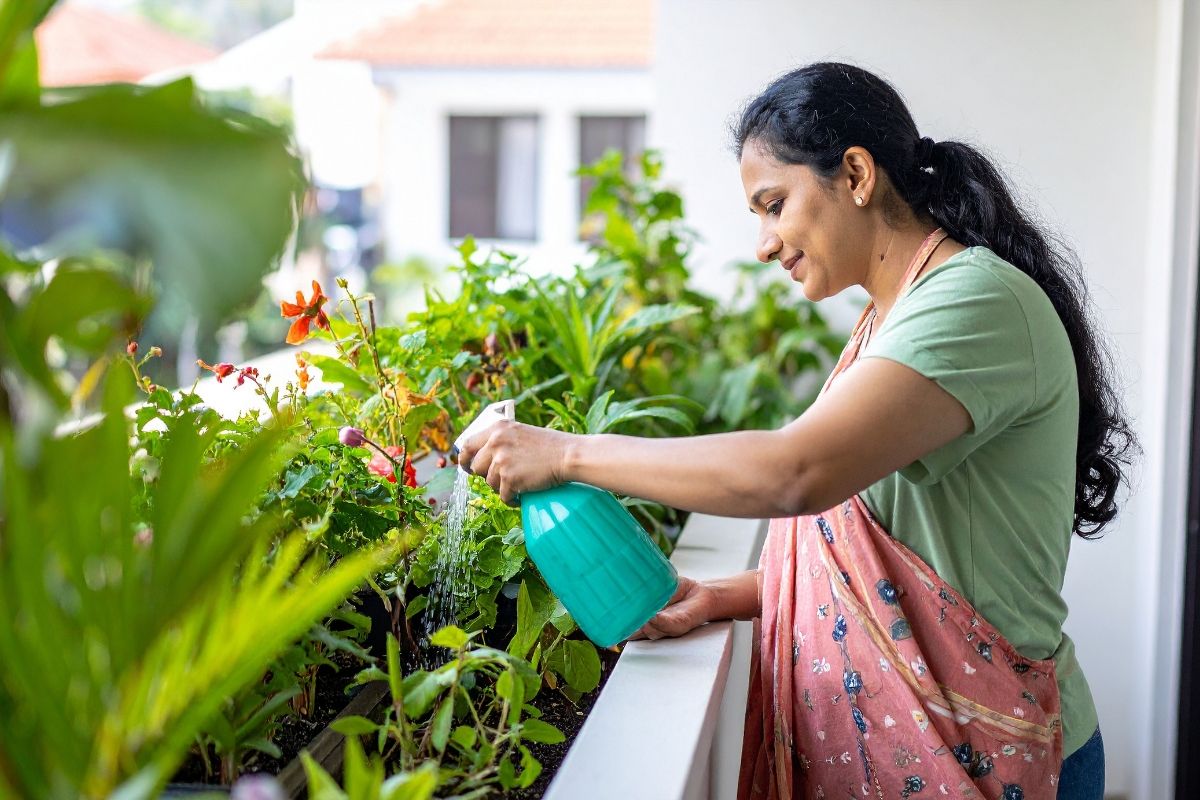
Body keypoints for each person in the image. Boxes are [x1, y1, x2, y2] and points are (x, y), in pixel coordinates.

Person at [458, 62, 1133, 800]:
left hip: (995, 760)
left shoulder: (974, 302)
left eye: (773, 204)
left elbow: (795, 472)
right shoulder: (894, 315)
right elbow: (888, 549)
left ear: (855, 174)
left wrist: (568, 455)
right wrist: (729, 595)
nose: (764, 242)